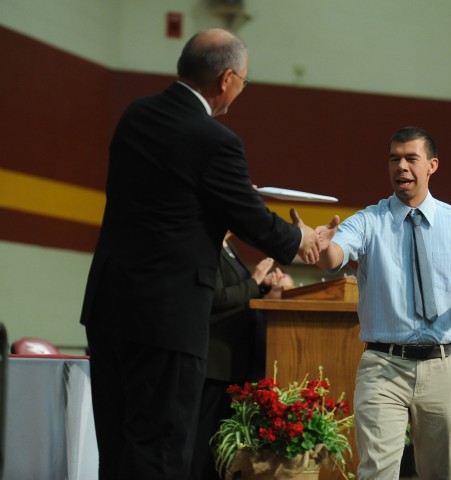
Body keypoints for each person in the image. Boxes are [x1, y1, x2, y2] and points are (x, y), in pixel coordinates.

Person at [79, 28, 324, 480]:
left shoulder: (135, 116)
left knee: (116, 447)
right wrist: (301, 240)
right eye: (245, 81)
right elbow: (250, 218)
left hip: (110, 307)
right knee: (161, 450)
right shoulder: (215, 141)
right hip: (167, 321)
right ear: (227, 79)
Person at [315, 126, 451, 479]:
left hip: (444, 365)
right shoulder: (369, 221)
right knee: (377, 472)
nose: (401, 167)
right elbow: (335, 254)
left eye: (411, 158)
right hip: (384, 365)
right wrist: (324, 249)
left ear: (432, 165)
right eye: (394, 159)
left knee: (442, 472)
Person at [193, 232, 293, 479]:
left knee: (221, 446)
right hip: (216, 360)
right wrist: (256, 278)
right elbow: (216, 297)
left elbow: (237, 294)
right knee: (205, 443)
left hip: (233, 360)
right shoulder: (207, 243)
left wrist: (262, 285)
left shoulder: (228, 244)